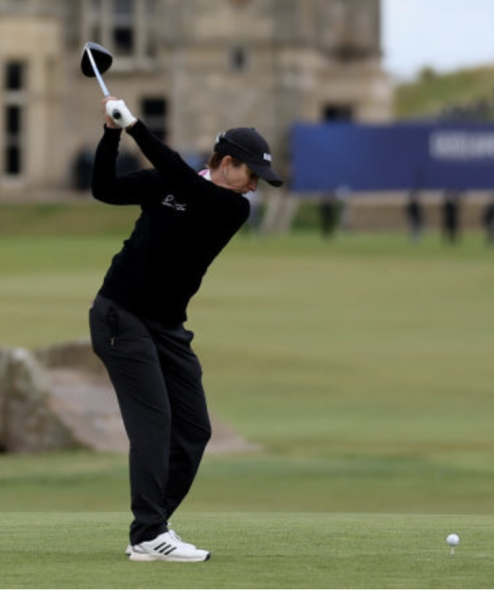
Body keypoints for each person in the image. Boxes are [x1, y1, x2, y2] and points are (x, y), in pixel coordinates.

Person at [88, 96, 282, 562]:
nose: (254, 186)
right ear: (227, 162)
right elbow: (104, 188)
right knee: (154, 424)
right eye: (250, 174)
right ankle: (149, 533)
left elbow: (185, 184)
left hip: (167, 326)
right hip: (121, 314)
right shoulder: (166, 183)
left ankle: (152, 527)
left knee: (194, 428)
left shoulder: (231, 208)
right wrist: (112, 134)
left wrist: (136, 126)